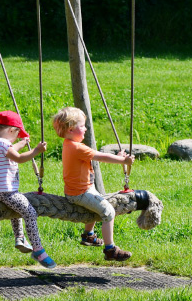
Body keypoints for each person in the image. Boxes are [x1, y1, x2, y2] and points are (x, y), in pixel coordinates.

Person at [52, 106, 135, 261]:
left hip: (81, 189)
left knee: (96, 208)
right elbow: (100, 156)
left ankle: (88, 235)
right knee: (108, 212)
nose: (86, 128)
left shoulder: (68, 144)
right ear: (70, 129)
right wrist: (123, 160)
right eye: (82, 126)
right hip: (81, 193)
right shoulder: (77, 147)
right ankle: (111, 249)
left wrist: (118, 157)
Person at [0, 110, 55, 268]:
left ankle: (20, 237)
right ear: (11, 131)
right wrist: (36, 151)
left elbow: (10, 150)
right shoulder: (4, 144)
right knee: (30, 212)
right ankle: (38, 249)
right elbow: (19, 157)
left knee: (17, 210)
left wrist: (22, 143)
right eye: (17, 134)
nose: (17, 137)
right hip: (7, 191)